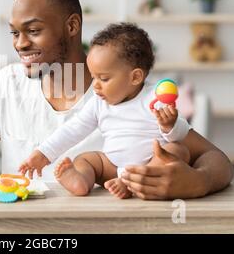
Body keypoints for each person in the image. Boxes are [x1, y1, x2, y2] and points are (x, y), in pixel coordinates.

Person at [0, 0, 234, 200]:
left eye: (33, 31)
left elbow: (217, 159)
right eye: (15, 33)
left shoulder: (127, 93)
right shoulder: (5, 84)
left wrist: (199, 182)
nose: (20, 44)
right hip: (21, 229)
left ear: (72, 26)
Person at [19, 23, 191, 198]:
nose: (95, 85)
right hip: (112, 167)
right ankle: (81, 182)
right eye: (93, 77)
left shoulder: (154, 98)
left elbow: (181, 135)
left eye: (104, 78)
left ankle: (129, 183)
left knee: (177, 150)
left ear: (135, 77)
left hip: (149, 168)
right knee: (86, 159)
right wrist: (43, 154)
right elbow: (73, 129)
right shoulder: (99, 103)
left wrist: (169, 125)